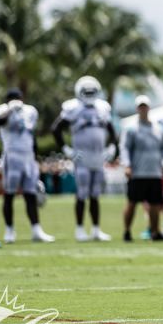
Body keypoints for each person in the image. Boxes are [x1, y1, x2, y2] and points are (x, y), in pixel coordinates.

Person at [52, 76, 118, 242]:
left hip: (97, 156)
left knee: (95, 194)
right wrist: (66, 149)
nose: (89, 94)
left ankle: (96, 229)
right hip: (81, 156)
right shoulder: (73, 108)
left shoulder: (102, 108)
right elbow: (56, 129)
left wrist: (112, 147)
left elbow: (112, 130)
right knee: (82, 193)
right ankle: (80, 229)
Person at [0, 88, 55, 243]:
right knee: (9, 194)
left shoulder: (30, 110)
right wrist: (10, 110)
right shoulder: (1, 110)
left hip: (28, 156)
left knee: (30, 195)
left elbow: (30, 134)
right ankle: (9, 231)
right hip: (11, 155)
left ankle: (36, 230)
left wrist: (36, 159)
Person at [120, 95, 163, 242]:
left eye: (145, 106)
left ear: (149, 108)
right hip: (137, 173)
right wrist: (127, 165)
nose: (143, 109)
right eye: (140, 107)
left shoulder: (158, 128)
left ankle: (155, 232)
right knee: (132, 202)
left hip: (155, 172)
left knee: (155, 204)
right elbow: (124, 148)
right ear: (137, 109)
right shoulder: (131, 128)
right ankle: (127, 231)